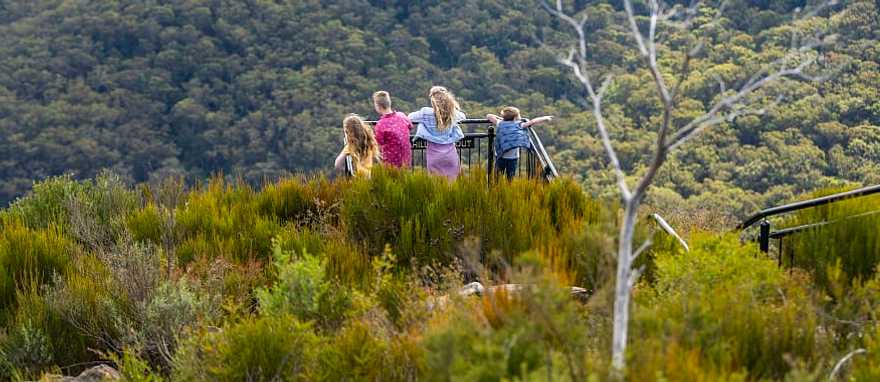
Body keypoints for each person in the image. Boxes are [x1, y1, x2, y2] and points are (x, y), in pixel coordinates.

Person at [408, 86, 466, 180]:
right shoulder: (451, 113)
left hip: (434, 156)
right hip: (450, 155)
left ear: (432, 99)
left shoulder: (425, 113)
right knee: (452, 188)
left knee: (436, 188)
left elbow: (410, 117)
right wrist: (451, 108)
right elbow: (463, 116)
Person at [487, 107, 553, 180]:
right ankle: (508, 189)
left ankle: (495, 189)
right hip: (513, 157)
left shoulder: (500, 123)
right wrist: (545, 118)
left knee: (497, 177)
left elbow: (489, 116)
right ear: (515, 118)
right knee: (510, 178)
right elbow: (533, 121)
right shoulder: (519, 125)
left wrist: (501, 119)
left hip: (500, 155)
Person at [372, 91, 412, 168]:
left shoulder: (381, 124)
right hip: (406, 162)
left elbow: (379, 142)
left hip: (391, 165)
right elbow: (410, 126)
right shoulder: (402, 116)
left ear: (378, 106)